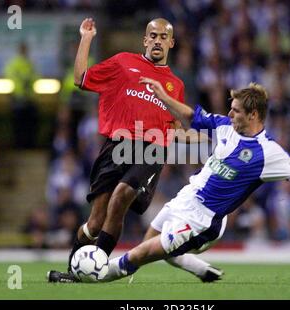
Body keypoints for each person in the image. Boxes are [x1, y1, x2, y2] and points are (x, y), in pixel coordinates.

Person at [98, 79, 290, 283]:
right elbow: (191, 116)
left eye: (236, 111)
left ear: (253, 115)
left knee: (142, 254)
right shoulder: (224, 126)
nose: (229, 114)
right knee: (151, 239)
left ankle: (94, 272)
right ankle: (198, 267)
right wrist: (162, 95)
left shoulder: (269, 152)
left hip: (203, 219)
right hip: (187, 197)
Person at [48, 17, 189, 282]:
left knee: (121, 197)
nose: (157, 41)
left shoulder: (176, 86)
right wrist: (86, 38)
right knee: (95, 222)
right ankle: (75, 271)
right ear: (145, 40)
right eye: (153, 35)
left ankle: (97, 268)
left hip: (152, 149)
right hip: (117, 145)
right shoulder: (123, 62)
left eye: (163, 37)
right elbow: (80, 78)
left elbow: (177, 127)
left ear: (171, 42)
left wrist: (205, 138)